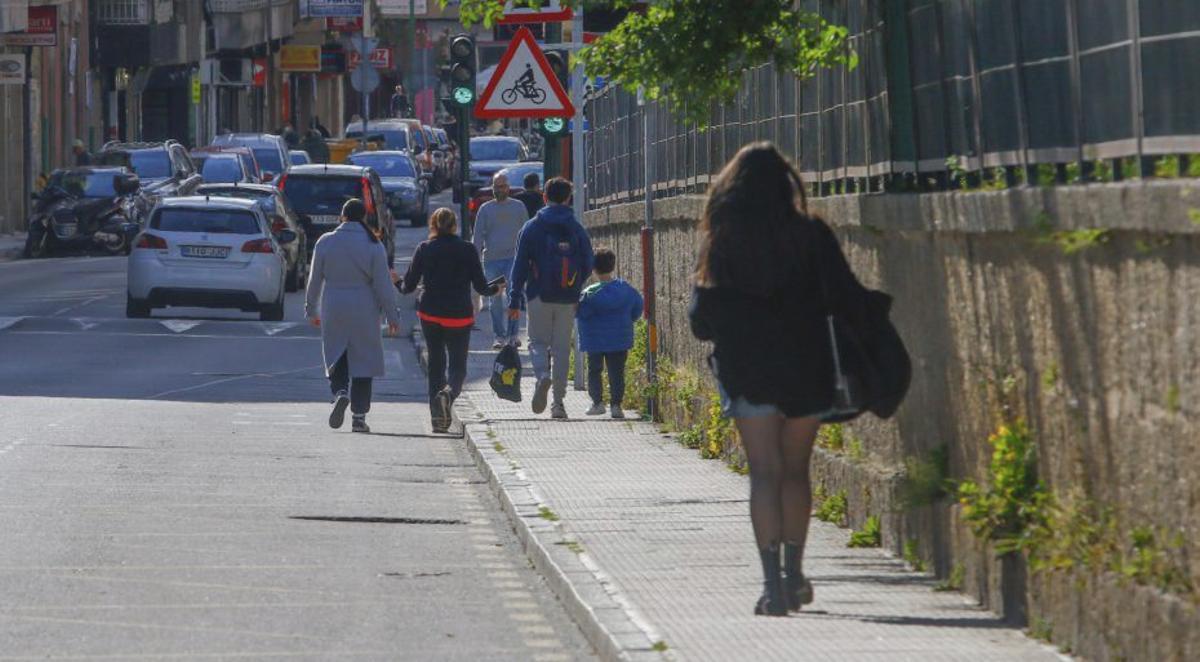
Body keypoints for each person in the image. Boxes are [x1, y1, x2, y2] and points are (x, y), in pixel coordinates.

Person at [688, 142, 871, 617]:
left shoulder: (721, 238)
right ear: (787, 185)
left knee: (763, 472)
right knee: (796, 470)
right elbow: (846, 295)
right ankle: (794, 576)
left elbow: (700, 320)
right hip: (806, 367)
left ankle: (771, 588)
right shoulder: (810, 234)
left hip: (748, 371)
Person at [306, 199, 402, 434]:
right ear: (364, 217)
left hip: (334, 304)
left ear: (342, 216)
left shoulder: (326, 242)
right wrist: (393, 316)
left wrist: (311, 309)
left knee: (336, 353)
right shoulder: (373, 244)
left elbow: (314, 279)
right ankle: (359, 417)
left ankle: (340, 391)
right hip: (364, 307)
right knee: (364, 361)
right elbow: (383, 285)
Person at [398, 208, 500, 433]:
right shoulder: (467, 249)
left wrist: (398, 283)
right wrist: (496, 289)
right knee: (457, 367)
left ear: (432, 225)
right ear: (455, 225)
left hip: (431, 314)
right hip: (459, 315)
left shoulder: (425, 249)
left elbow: (409, 286)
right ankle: (449, 394)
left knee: (435, 363)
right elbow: (481, 286)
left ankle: (437, 420)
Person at [507, 177, 594, 419]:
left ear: (544, 197)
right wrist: (576, 285)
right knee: (562, 349)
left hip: (538, 294)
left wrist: (514, 300)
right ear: (568, 198)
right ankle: (558, 403)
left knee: (537, 342)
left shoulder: (532, 227)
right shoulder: (575, 227)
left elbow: (519, 265)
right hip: (567, 297)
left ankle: (542, 375)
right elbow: (588, 261)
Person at [576, 248, 643, 419]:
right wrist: (628, 320)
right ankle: (616, 405)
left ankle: (597, 403)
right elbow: (637, 307)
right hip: (619, 338)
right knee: (617, 372)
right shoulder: (626, 289)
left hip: (594, 340)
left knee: (594, 370)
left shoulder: (589, 293)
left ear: (593, 269)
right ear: (613, 266)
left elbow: (580, 313)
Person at [472, 173, 529, 349]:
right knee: (494, 300)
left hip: (514, 258)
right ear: (493, 189)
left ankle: (513, 335)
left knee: (515, 295)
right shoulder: (485, 209)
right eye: (496, 187)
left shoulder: (519, 207)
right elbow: (478, 236)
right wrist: (474, 260)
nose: (499, 190)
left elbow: (526, 233)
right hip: (491, 260)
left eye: (502, 186)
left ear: (508, 187)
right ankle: (499, 336)